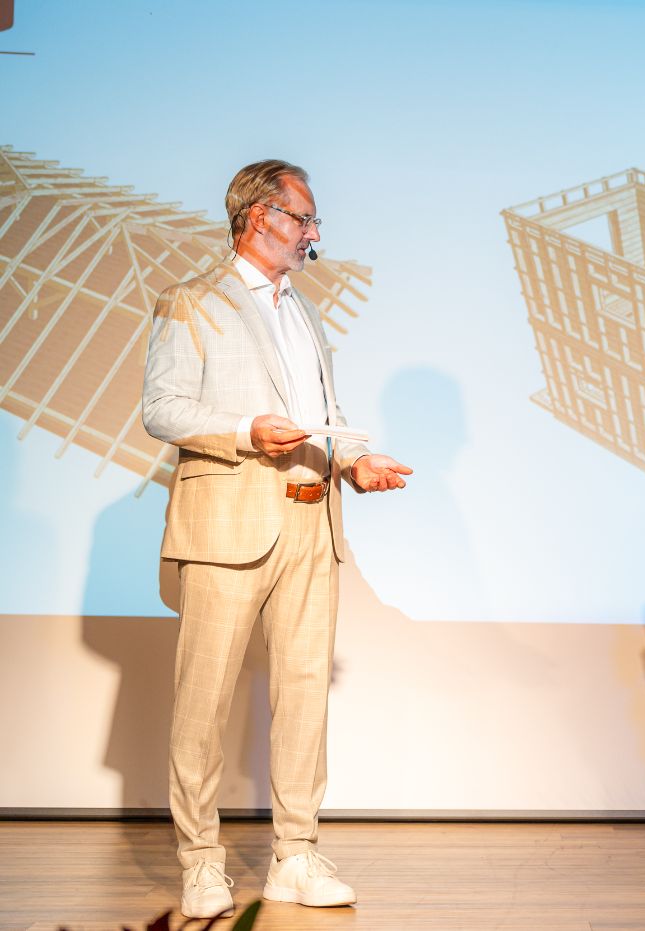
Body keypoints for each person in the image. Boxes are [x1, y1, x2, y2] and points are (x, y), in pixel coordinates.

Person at [142, 159, 412, 919]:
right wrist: (243, 430)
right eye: (304, 218)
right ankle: (201, 861)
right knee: (204, 698)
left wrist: (354, 462)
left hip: (310, 518)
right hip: (227, 521)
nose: (313, 233)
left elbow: (323, 412)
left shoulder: (304, 312)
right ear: (259, 217)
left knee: (303, 694)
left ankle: (296, 854)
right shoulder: (191, 300)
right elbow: (162, 407)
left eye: (312, 220)